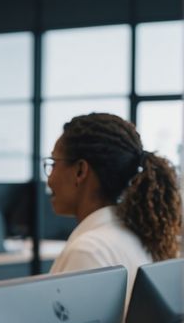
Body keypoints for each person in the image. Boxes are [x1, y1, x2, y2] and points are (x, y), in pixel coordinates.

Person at [45, 112, 181, 292]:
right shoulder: (137, 237)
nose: (49, 179)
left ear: (80, 171)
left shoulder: (88, 251)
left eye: (54, 164)